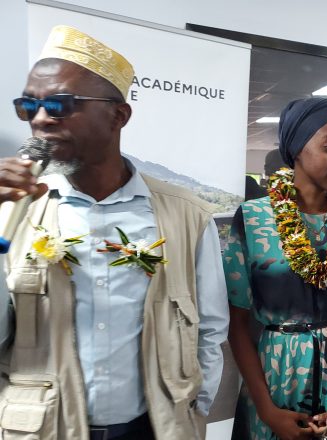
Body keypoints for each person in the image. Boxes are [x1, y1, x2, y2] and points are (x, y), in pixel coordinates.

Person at [0, 26, 229, 439]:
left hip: (155, 428)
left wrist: (196, 409)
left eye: (60, 104)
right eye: (28, 106)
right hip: (45, 429)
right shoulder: (15, 212)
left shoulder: (187, 216)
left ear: (118, 116)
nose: (40, 119)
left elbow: (210, 330)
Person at [223, 97, 327, 439]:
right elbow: (237, 322)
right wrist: (267, 410)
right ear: (296, 151)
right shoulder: (253, 219)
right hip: (276, 379)